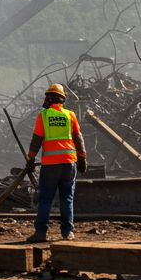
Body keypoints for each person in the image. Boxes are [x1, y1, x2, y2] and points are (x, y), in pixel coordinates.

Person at [24, 83, 86, 243]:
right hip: (68, 164)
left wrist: (30, 159)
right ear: (62, 99)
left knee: (45, 199)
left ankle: (41, 233)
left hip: (51, 165)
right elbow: (78, 138)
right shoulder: (70, 115)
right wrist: (82, 158)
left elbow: (36, 140)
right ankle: (67, 233)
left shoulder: (44, 116)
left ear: (50, 98)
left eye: (46, 97)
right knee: (67, 198)